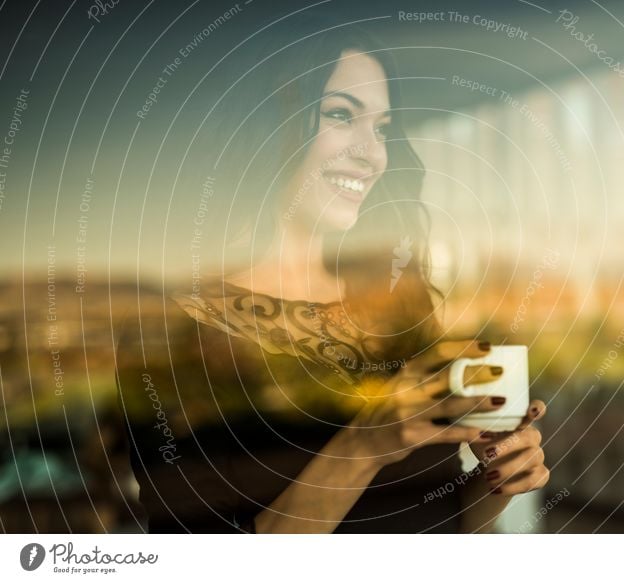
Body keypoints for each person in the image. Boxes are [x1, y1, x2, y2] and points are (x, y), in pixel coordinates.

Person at [114, 16, 548, 533]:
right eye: (341, 115)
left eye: (382, 129)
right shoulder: (171, 331)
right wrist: (366, 445)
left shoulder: (397, 304)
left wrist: (498, 478)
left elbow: (441, 525)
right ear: (265, 123)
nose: (372, 154)